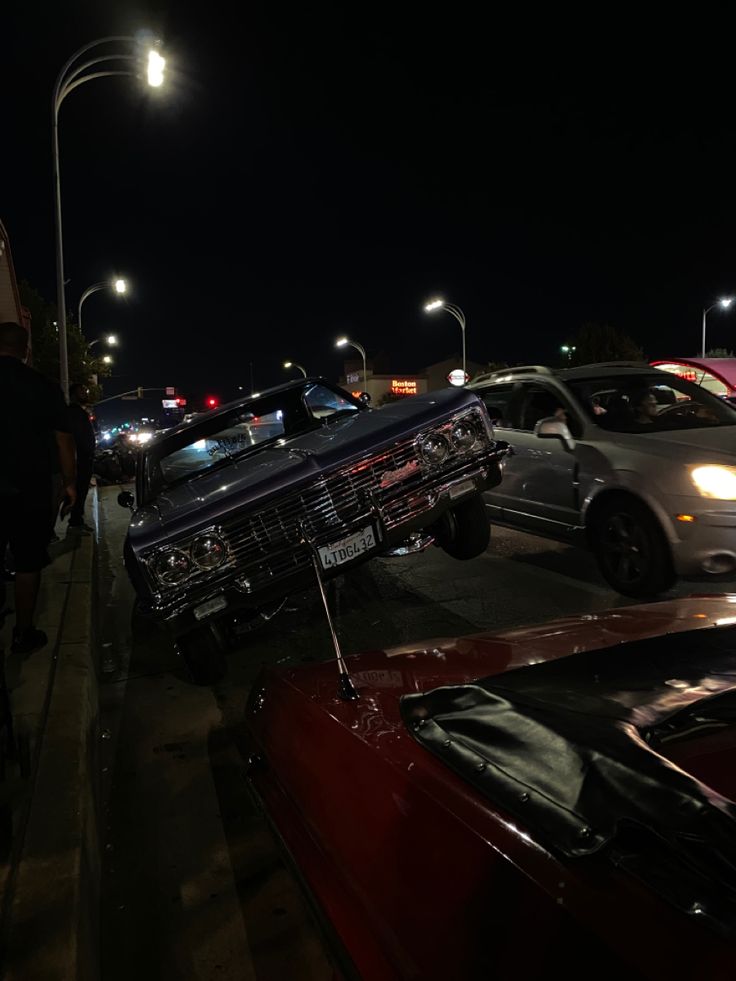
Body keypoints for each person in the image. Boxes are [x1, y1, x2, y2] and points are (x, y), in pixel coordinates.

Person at [0, 321, 76, 654]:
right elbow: (64, 440)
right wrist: (70, 483)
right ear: (26, 350)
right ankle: (23, 632)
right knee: (28, 561)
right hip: (28, 486)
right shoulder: (43, 387)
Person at [67, 383, 96, 530]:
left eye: (85, 390)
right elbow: (77, 437)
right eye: (81, 391)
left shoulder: (80, 412)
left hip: (84, 458)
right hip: (80, 459)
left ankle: (76, 519)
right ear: (73, 394)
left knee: (81, 491)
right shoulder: (74, 412)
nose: (85, 393)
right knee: (78, 491)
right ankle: (75, 520)